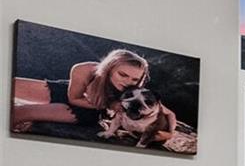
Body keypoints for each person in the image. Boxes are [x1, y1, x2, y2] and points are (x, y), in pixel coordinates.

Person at [11, 48, 150, 129]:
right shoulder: (84, 69)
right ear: (110, 68)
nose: (128, 82)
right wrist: (109, 104)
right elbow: (74, 97)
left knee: (20, 112)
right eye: (123, 75)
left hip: (89, 111)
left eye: (135, 79)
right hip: (72, 93)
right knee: (12, 84)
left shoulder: (135, 93)